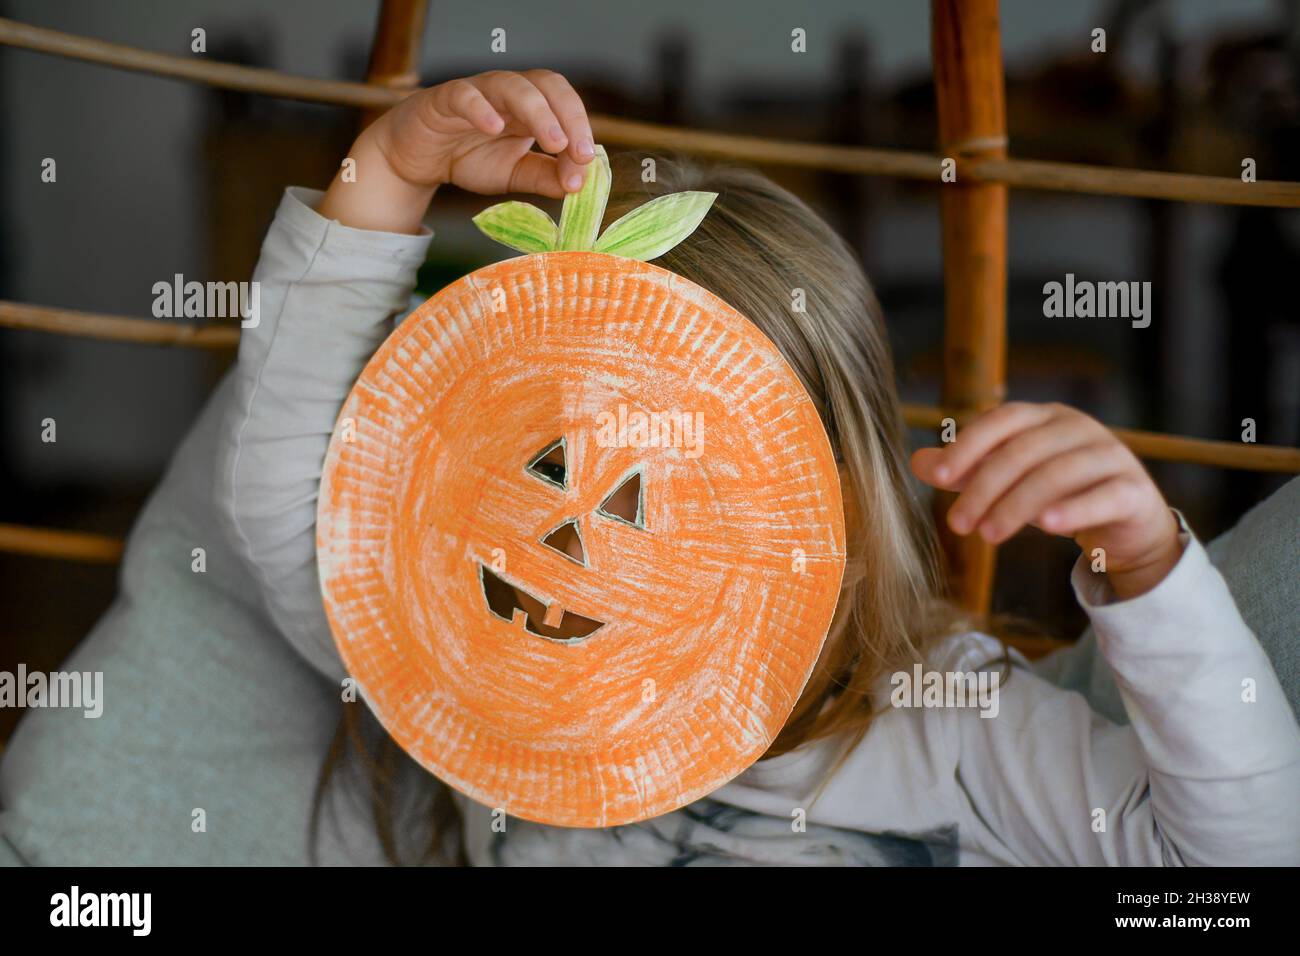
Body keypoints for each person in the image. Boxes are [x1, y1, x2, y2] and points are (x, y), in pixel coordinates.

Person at [216, 69, 1300, 865]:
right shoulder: (478, 679)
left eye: (676, 490)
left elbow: (1231, 872)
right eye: (547, 462)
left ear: (828, 505)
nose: (575, 543)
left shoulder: (941, 725)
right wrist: (389, 170)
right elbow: (286, 505)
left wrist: (1150, 568)